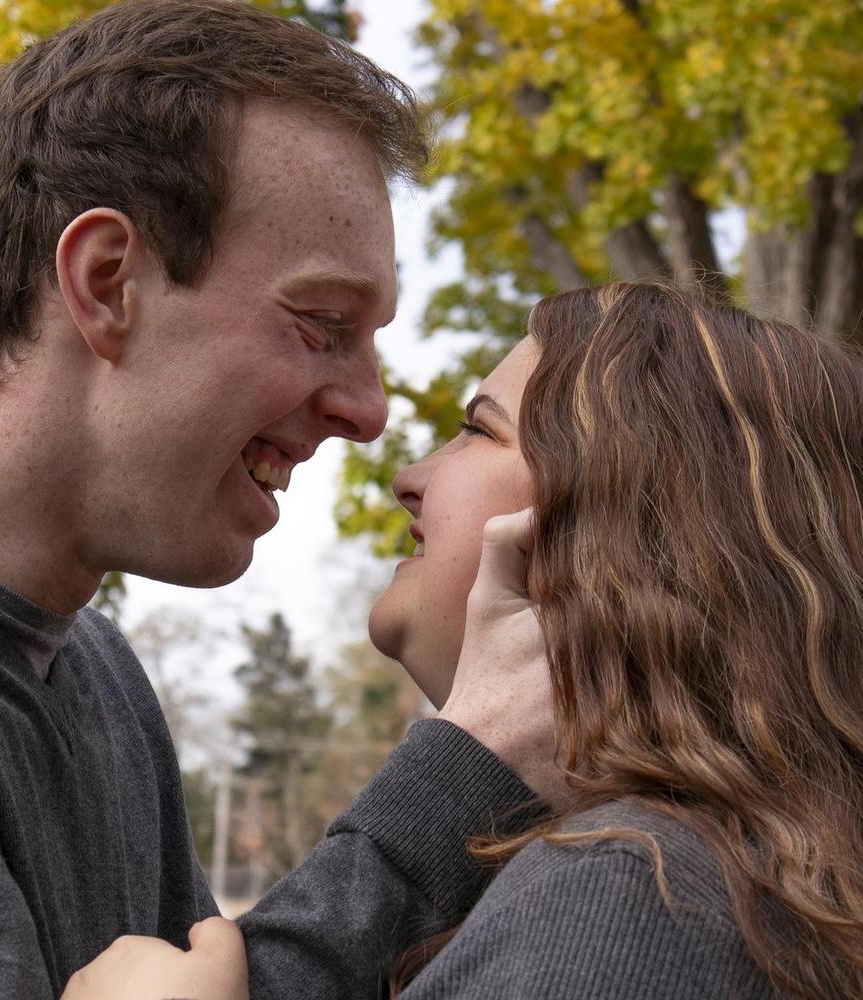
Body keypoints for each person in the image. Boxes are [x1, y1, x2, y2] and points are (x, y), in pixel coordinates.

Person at [0, 3, 556, 997]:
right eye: (321, 323)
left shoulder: (101, 673)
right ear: (107, 282)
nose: (370, 412)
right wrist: (468, 773)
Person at [96, 282, 863, 998]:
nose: (408, 476)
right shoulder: (727, 885)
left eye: (477, 429)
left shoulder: (630, 896)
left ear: (610, 534)